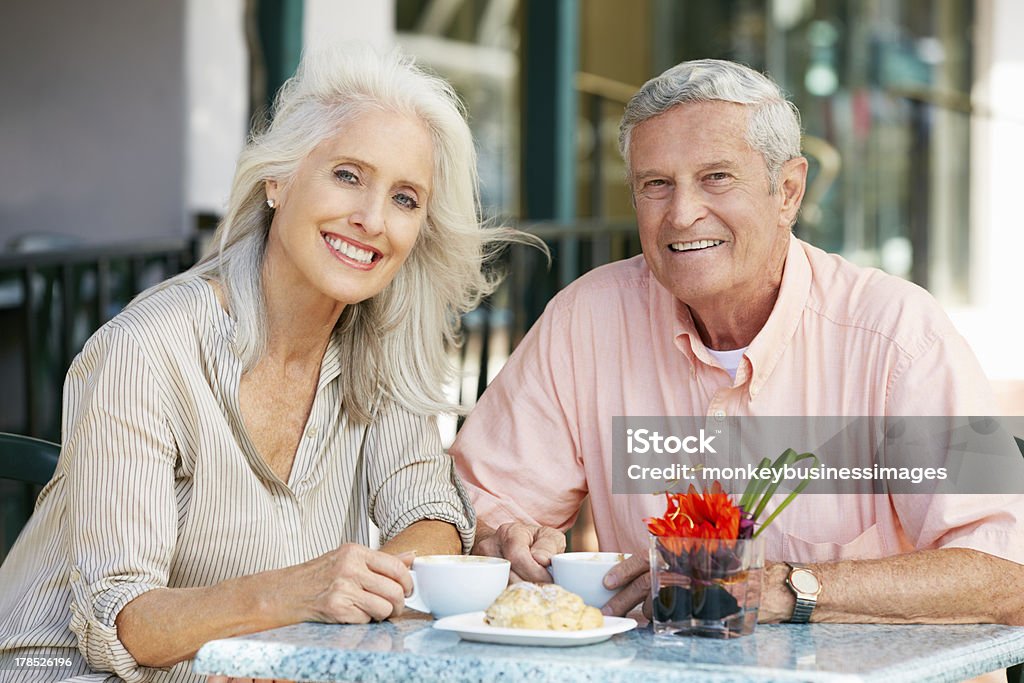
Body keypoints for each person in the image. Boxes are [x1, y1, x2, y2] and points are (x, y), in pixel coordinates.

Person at [0, 47, 518, 682]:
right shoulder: (147, 348)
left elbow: (431, 516)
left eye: (406, 198)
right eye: (348, 175)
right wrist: (290, 603)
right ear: (278, 180)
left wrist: (334, 611)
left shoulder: (378, 347)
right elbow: (126, 622)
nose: (373, 219)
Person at [451, 59, 1024, 626]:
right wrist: (504, 539)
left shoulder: (900, 336)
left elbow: (1006, 574)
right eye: (656, 185)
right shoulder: (588, 320)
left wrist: (788, 590)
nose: (682, 214)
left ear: (788, 191)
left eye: (716, 178)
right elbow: (476, 502)